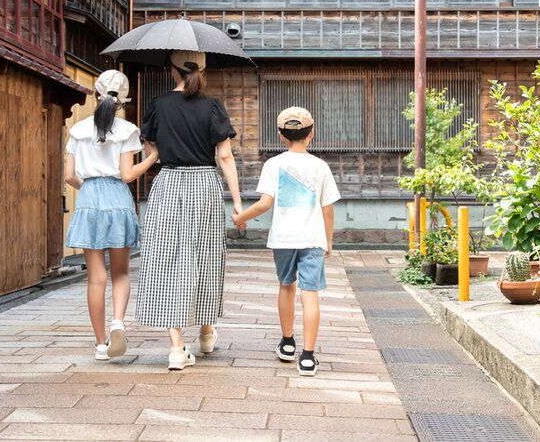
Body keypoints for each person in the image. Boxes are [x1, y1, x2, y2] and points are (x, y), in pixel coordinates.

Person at [135, 50, 243, 371]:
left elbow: (150, 147)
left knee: (167, 258)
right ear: (203, 70)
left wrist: (161, 149)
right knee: (205, 256)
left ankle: (176, 348)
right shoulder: (213, 107)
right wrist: (238, 202)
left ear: (172, 70)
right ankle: (206, 333)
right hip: (204, 185)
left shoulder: (158, 105)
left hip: (168, 183)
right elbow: (225, 157)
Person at [232, 107, 340, 377]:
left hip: (283, 238)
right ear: (311, 134)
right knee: (310, 294)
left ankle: (288, 343)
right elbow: (328, 209)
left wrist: (240, 218)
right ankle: (308, 357)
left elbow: (264, 203)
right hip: (312, 238)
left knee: (286, 286)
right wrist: (328, 240)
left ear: (281, 135)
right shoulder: (321, 166)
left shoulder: (273, 164)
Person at [64, 70, 158, 362]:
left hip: (89, 199)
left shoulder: (77, 130)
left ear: (96, 95)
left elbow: (69, 176)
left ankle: (100, 344)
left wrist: (89, 188)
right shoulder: (128, 130)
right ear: (123, 102)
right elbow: (127, 175)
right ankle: (118, 321)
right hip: (118, 198)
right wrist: (153, 157)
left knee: (96, 278)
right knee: (121, 272)